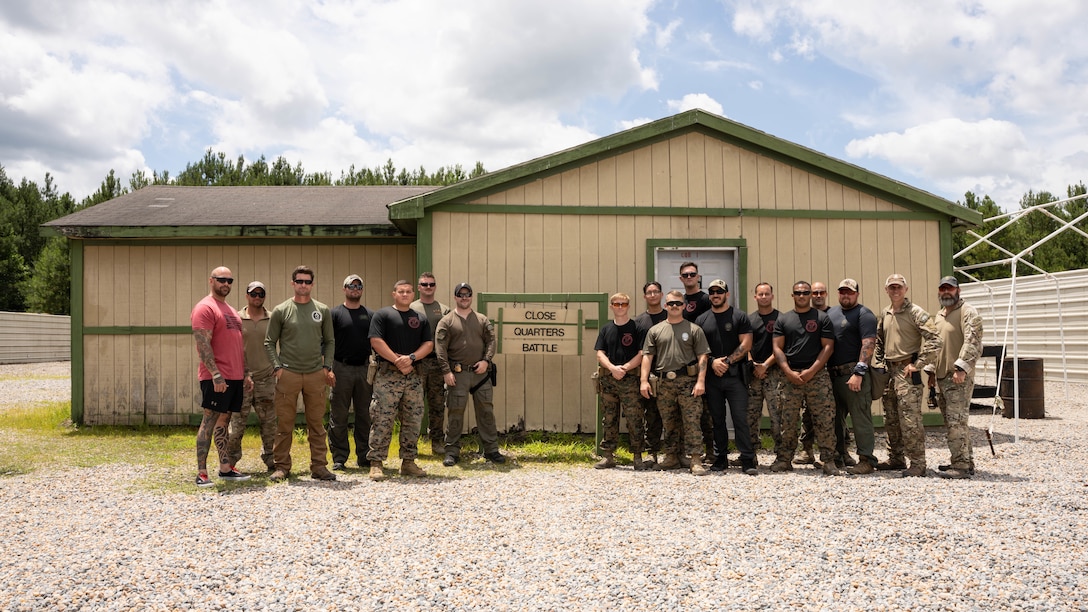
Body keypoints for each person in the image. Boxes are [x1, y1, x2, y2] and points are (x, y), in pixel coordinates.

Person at [264, 265, 337, 482]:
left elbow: (330, 341)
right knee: (284, 424)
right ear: (293, 283)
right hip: (289, 374)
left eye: (307, 281)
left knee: (316, 423)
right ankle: (282, 467)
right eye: (299, 281)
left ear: (312, 284)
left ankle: (319, 467)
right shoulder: (281, 310)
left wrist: (327, 367)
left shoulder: (322, 310)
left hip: (315, 374)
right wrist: (277, 368)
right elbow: (269, 342)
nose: (303, 285)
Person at [874, 273, 942, 478]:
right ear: (886, 290)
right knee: (891, 417)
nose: (895, 291)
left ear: (906, 289)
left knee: (910, 419)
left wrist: (918, 364)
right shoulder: (886, 313)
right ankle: (896, 457)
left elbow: (935, 341)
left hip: (906, 371)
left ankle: (918, 463)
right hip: (889, 372)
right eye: (892, 287)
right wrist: (878, 363)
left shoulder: (916, 313)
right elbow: (879, 341)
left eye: (899, 287)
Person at [366, 279, 435, 480]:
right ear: (394, 293)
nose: (405, 294)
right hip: (387, 376)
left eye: (408, 291)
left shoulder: (420, 319)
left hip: (413, 377)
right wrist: (398, 360)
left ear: (413, 295)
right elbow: (376, 341)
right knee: (382, 418)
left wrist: (411, 358)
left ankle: (408, 462)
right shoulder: (383, 315)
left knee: (413, 420)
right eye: (401, 291)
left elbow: (428, 344)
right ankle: (376, 462)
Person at [191, 267, 252, 487]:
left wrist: (245, 374)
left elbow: (237, 345)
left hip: (234, 377)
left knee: (223, 422)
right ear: (211, 281)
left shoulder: (230, 310)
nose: (225, 283)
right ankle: (202, 472)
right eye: (221, 280)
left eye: (229, 280)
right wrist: (216, 374)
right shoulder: (205, 308)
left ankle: (225, 468)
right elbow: (202, 344)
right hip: (217, 377)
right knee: (209, 420)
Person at [640, 290, 711, 475]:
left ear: (684, 306)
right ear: (665, 306)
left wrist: (700, 381)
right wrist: (643, 381)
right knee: (669, 422)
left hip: (688, 381)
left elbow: (703, 356)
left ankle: (695, 459)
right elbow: (647, 357)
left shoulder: (694, 329)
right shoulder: (655, 330)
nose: (674, 306)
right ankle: (671, 456)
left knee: (692, 421)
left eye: (678, 303)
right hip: (664, 383)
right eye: (671, 303)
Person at [771, 281, 839, 475]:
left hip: (817, 377)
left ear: (810, 295)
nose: (801, 296)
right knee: (787, 420)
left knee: (824, 419)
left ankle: (828, 460)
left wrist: (812, 370)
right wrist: (788, 371)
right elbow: (777, 348)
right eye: (798, 293)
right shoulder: (784, 319)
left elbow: (828, 347)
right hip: (790, 377)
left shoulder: (822, 318)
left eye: (805, 292)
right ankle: (784, 459)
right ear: (792, 295)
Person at [434, 282, 505, 467]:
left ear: (471, 297)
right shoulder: (446, 321)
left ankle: (491, 450)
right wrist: (446, 371)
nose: (464, 298)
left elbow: (491, 341)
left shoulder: (482, 320)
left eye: (467, 295)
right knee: (455, 413)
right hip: (457, 374)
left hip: (481, 374)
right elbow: (440, 349)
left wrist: (486, 361)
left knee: (486, 412)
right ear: (455, 297)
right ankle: (451, 452)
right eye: (460, 295)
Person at [695, 279, 757, 474]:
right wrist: (713, 362)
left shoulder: (739, 316)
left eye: (719, 291)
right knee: (717, 419)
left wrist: (727, 362)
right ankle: (720, 458)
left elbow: (746, 344)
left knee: (740, 418)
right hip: (712, 378)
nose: (715, 295)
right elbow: (698, 350)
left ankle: (747, 459)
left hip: (735, 377)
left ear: (727, 294)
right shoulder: (702, 320)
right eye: (712, 291)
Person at [928, 276, 983, 479]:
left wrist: (961, 368)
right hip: (943, 378)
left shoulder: (968, 312)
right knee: (955, 421)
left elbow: (973, 341)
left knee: (956, 422)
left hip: (958, 377)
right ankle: (964, 461)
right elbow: (936, 346)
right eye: (942, 289)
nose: (946, 292)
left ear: (958, 290)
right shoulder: (940, 315)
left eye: (949, 289)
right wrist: (931, 373)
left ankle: (960, 466)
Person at [826, 279, 879, 475]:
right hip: (833, 374)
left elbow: (868, 344)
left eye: (849, 292)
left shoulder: (864, 315)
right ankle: (839, 455)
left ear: (857, 294)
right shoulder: (831, 313)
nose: (845, 295)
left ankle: (866, 459)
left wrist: (859, 372)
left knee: (860, 418)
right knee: (835, 419)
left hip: (853, 374)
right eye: (842, 292)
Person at [593, 292, 647, 470]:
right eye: (616, 304)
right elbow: (600, 353)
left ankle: (637, 456)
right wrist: (612, 368)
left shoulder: (637, 328)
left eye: (623, 304)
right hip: (609, 380)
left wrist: (624, 368)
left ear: (628, 306)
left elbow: (642, 353)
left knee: (634, 418)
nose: (620, 307)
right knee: (609, 418)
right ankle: (608, 456)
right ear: (611, 307)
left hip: (630, 380)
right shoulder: (606, 329)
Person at [226, 281, 276, 472]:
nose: (257, 297)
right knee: (236, 425)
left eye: (260, 294)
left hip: (266, 378)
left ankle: (271, 459)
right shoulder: (236, 318)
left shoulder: (272, 318)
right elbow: (230, 347)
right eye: (253, 294)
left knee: (269, 423)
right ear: (246, 295)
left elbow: (284, 342)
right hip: (241, 379)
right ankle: (230, 462)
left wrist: (277, 366)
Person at [327, 274, 375, 471]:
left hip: (364, 369)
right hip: (341, 368)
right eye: (351, 285)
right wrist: (327, 368)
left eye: (358, 286)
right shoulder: (335, 314)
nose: (355, 288)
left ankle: (364, 456)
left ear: (362, 290)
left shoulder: (370, 315)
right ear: (344, 289)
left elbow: (376, 342)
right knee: (339, 415)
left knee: (365, 415)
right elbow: (327, 342)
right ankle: (339, 457)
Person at [409, 272, 451, 456]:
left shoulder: (443, 309)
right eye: (424, 284)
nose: (428, 287)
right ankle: (410, 445)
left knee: (437, 404)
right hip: (416, 362)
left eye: (431, 284)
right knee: (413, 405)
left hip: (436, 362)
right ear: (419, 287)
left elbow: (451, 336)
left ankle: (437, 442)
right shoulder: (411, 307)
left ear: (435, 286)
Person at [678, 261, 714, 462]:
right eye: (686, 274)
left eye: (693, 274)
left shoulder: (707, 299)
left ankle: (711, 451)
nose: (689, 277)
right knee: (689, 410)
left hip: (706, 358)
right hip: (686, 361)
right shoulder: (679, 302)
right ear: (681, 278)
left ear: (698, 276)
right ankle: (686, 452)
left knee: (707, 411)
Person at [794, 281, 832, 466]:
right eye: (813, 292)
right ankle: (804, 451)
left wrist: (812, 370)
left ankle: (834, 455)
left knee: (828, 417)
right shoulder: (789, 318)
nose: (816, 295)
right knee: (803, 416)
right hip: (797, 374)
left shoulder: (829, 315)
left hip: (824, 373)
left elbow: (829, 346)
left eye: (820, 292)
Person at [747, 282, 782, 464]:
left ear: (772, 296)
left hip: (774, 374)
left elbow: (781, 347)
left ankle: (782, 456)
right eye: (760, 294)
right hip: (753, 375)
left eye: (767, 294)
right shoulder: (749, 320)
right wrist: (753, 364)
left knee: (778, 416)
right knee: (751, 416)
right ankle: (750, 455)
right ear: (755, 297)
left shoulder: (780, 319)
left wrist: (765, 366)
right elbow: (745, 344)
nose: (763, 297)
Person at [634, 281, 667, 465]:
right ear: (645, 296)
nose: (653, 295)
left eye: (656, 292)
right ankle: (652, 452)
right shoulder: (639, 322)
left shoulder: (671, 316)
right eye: (649, 292)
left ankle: (674, 453)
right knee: (651, 415)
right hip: (649, 375)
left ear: (661, 295)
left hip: (669, 373)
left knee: (672, 416)